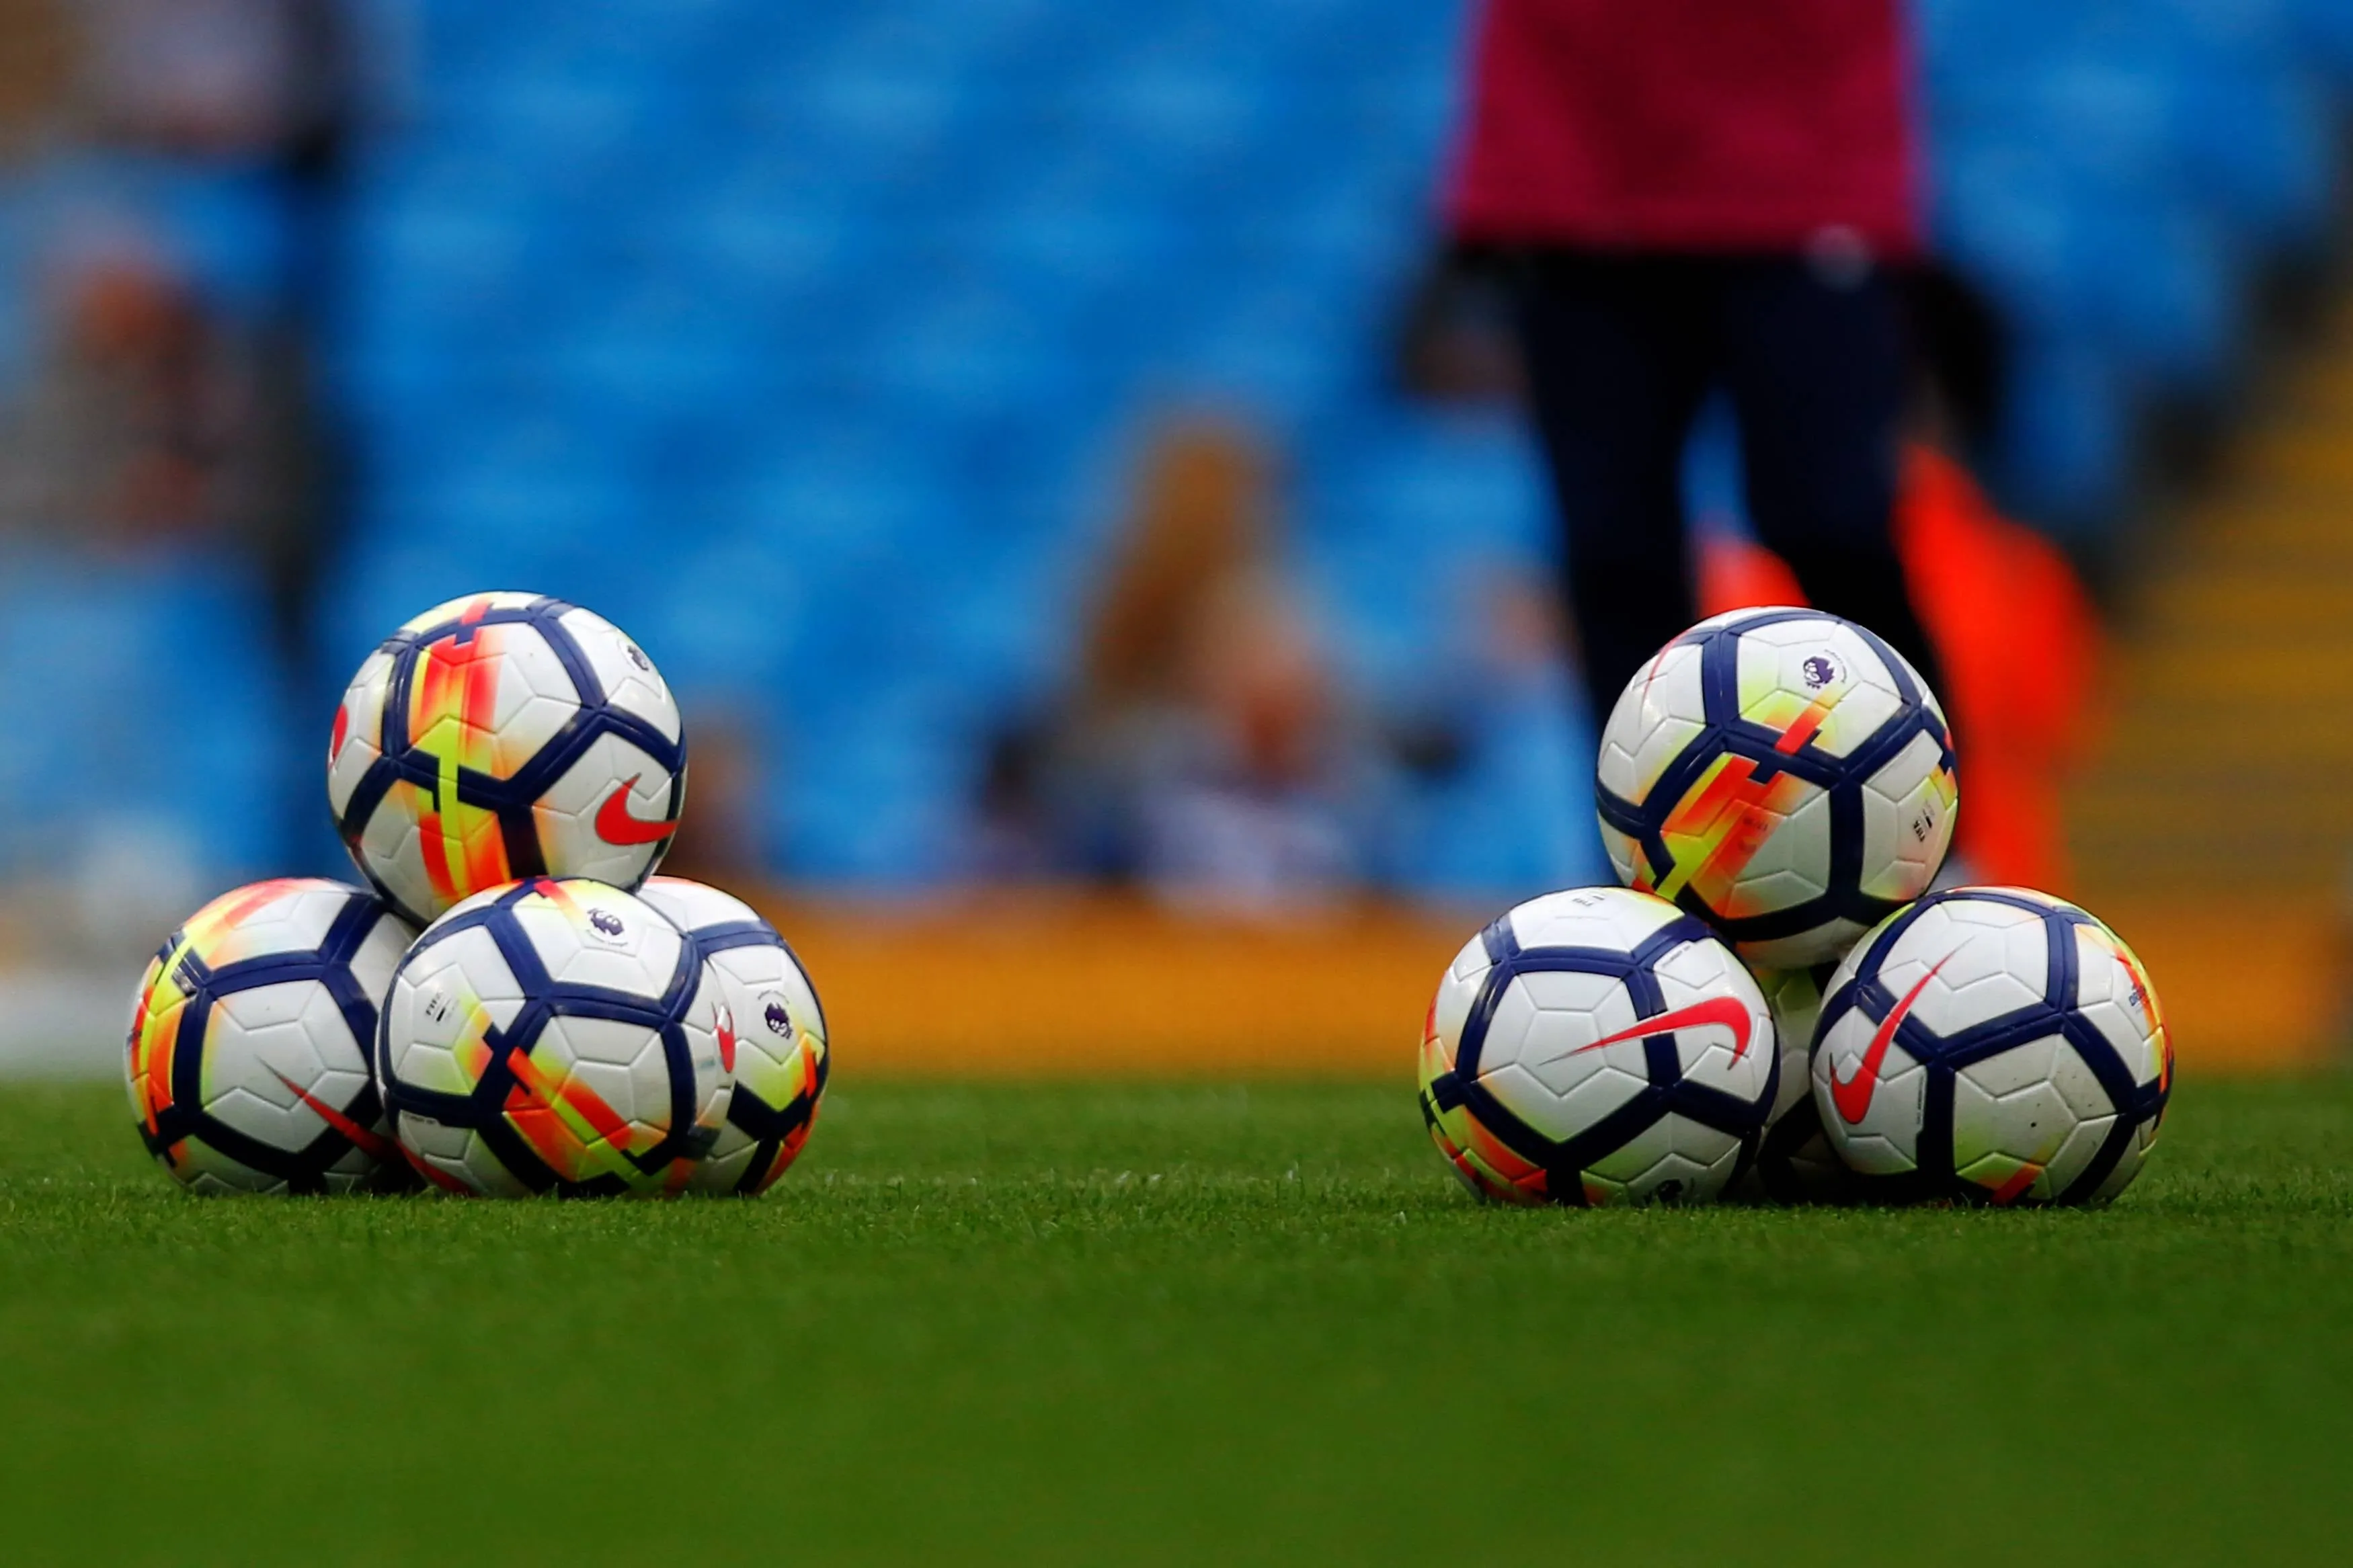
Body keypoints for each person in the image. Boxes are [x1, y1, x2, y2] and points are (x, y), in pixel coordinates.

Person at [1445, 0, 1947, 718]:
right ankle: (1645, 825)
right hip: (1574, 151)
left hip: (1806, 142)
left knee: (1832, 526)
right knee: (1612, 553)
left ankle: (1927, 806)